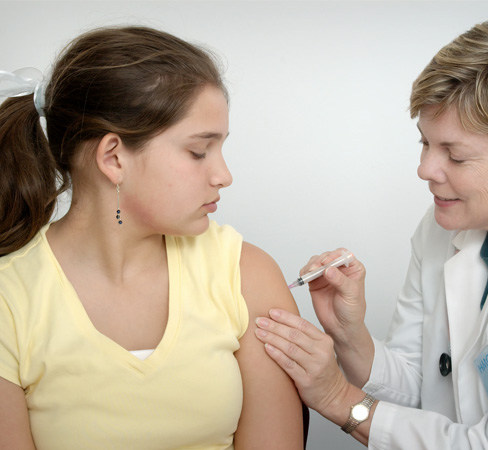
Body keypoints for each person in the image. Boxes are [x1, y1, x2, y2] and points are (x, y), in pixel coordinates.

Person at [254, 10, 488, 449]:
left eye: (455, 156)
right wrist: (348, 335)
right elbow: (424, 383)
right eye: (425, 142)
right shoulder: (448, 223)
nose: (425, 169)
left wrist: (337, 398)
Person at [0, 26, 305, 450]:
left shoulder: (247, 276)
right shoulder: (9, 298)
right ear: (114, 158)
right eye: (199, 151)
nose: (224, 175)